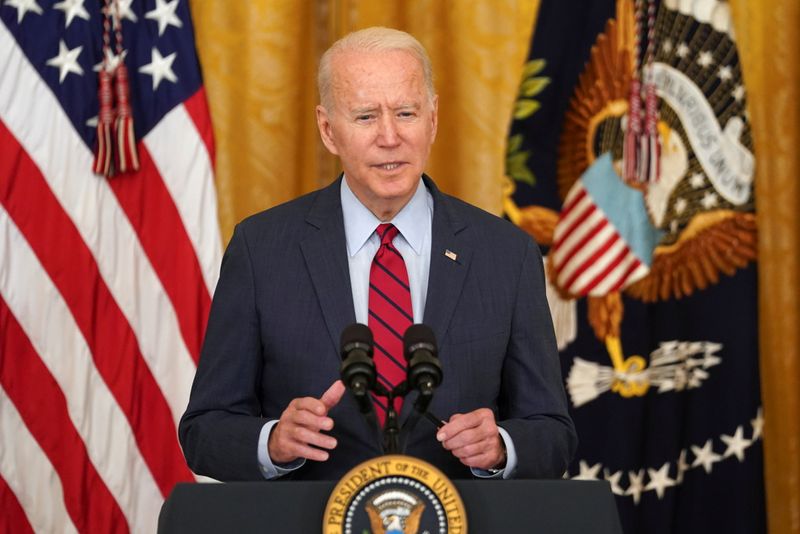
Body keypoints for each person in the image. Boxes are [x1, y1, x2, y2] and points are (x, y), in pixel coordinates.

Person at [179, 27, 576, 482]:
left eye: (406, 112)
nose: (390, 137)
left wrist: (503, 447)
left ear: (433, 118)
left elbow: (552, 433)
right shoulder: (261, 249)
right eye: (366, 117)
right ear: (329, 131)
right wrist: (272, 442)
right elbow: (204, 430)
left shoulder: (507, 254)